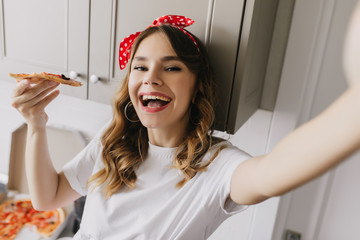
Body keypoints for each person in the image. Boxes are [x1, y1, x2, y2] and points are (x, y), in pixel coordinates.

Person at [10, 10, 360, 240]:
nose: (152, 78)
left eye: (172, 67)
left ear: (196, 87)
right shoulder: (112, 141)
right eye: (140, 67)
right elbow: (47, 197)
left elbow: (275, 172)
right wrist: (36, 123)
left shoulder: (216, 167)